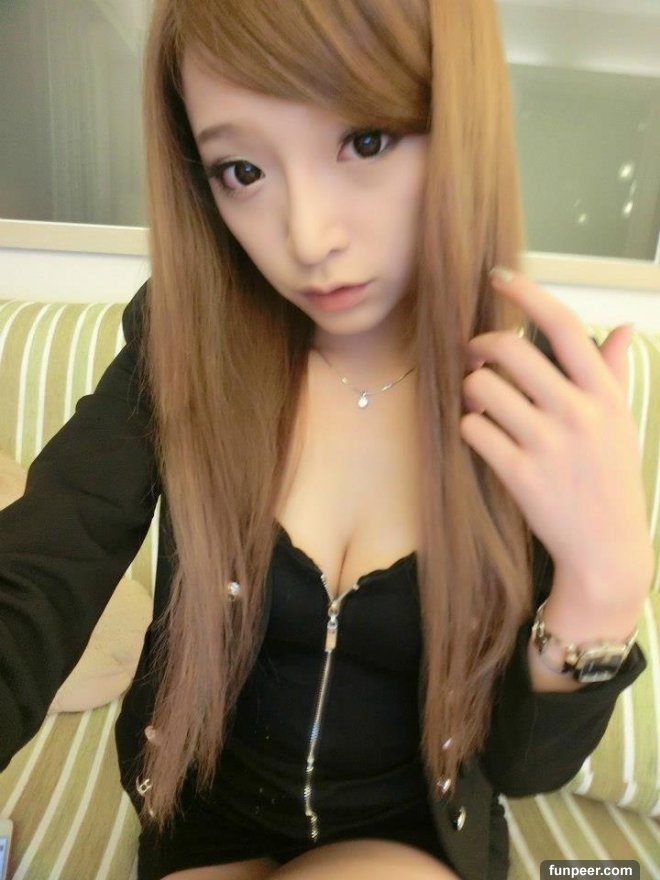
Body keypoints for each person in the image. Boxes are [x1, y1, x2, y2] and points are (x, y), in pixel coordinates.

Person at [0, 1, 653, 879]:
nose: (308, 237)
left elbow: (526, 767)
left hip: (415, 829)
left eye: (365, 141)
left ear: (458, 122)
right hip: (204, 817)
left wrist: (603, 589)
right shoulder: (186, 344)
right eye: (242, 170)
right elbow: (41, 568)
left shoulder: (533, 401)